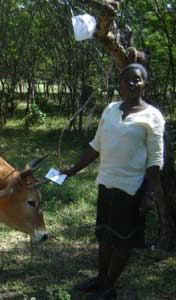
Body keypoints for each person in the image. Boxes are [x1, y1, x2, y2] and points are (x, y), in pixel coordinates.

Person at [62, 63, 165, 300]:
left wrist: (150, 194)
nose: (131, 83)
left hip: (132, 188)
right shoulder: (110, 110)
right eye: (126, 79)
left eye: (137, 79)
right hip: (106, 183)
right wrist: (72, 170)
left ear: (144, 84)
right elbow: (96, 146)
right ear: (119, 84)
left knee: (122, 240)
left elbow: (156, 159)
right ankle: (100, 279)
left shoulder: (152, 116)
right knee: (105, 235)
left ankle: (109, 287)